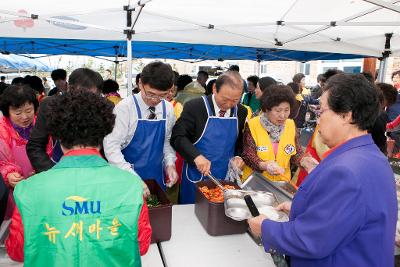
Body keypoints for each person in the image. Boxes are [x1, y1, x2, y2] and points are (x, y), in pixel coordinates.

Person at [248, 73, 397, 267]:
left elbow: (313, 240)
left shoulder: (346, 171)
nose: (318, 121)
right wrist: (303, 210)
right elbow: (345, 217)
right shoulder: (372, 157)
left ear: (347, 115)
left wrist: (266, 229)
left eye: (322, 112)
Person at [8, 90, 151, 265]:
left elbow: (16, 250)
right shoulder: (132, 185)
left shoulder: (28, 189)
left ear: (58, 136)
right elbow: (142, 245)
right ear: (104, 133)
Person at [171, 71, 248, 204]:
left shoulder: (241, 111)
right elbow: (178, 137)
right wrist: (196, 156)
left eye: (235, 100)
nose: (229, 104)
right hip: (197, 175)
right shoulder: (195, 107)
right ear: (214, 89)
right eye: (225, 99)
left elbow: (239, 142)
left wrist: (239, 156)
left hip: (226, 176)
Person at [103, 61, 178, 194]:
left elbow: (167, 141)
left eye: (162, 95)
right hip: (127, 177)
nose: (155, 100)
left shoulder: (167, 109)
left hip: (156, 177)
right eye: (150, 94)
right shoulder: (125, 108)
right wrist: (133, 177)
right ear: (140, 84)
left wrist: (170, 164)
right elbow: (111, 147)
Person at [27, 68, 104, 173]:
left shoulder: (104, 108)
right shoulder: (51, 105)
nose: (88, 101)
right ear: (71, 89)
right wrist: (51, 172)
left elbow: (109, 146)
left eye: (94, 96)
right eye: (83, 95)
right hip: (57, 168)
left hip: (95, 171)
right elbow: (35, 145)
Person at [0, 85, 51, 220]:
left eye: (29, 110)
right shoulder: (1, 132)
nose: (24, 117)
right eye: (17, 113)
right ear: (7, 112)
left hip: (41, 190)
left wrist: (42, 169)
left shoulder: (43, 126)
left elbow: (50, 152)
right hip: (12, 194)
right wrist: (7, 174)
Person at [241, 84, 304, 181]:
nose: (283, 115)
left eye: (286, 110)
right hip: (256, 182)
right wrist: (265, 166)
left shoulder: (290, 125)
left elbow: (296, 152)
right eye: (278, 111)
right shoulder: (253, 125)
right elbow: (248, 155)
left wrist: (304, 161)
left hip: (281, 182)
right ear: (266, 109)